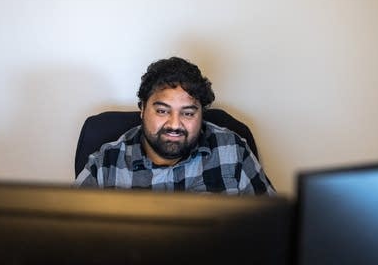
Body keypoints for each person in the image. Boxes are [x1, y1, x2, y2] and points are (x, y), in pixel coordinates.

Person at [75, 56, 275, 195]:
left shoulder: (233, 151)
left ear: (201, 114)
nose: (174, 124)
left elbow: (273, 232)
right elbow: (69, 239)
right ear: (142, 109)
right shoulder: (104, 165)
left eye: (187, 113)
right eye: (162, 111)